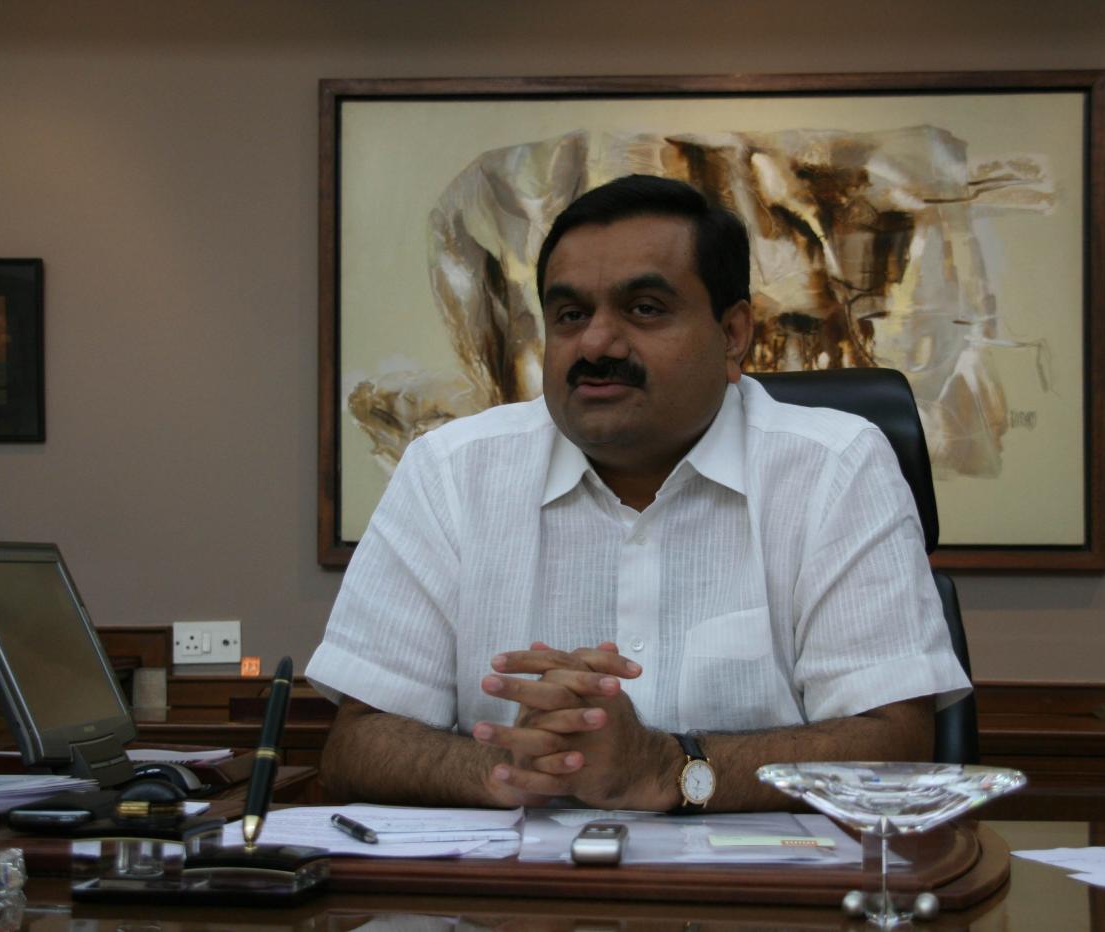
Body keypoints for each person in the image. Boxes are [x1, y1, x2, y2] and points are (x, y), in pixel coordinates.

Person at [305, 174, 970, 812]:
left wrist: (661, 768)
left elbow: (894, 744)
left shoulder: (834, 467)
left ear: (734, 335)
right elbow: (358, 743)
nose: (596, 342)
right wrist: (522, 765)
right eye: (570, 314)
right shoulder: (449, 473)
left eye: (645, 309)